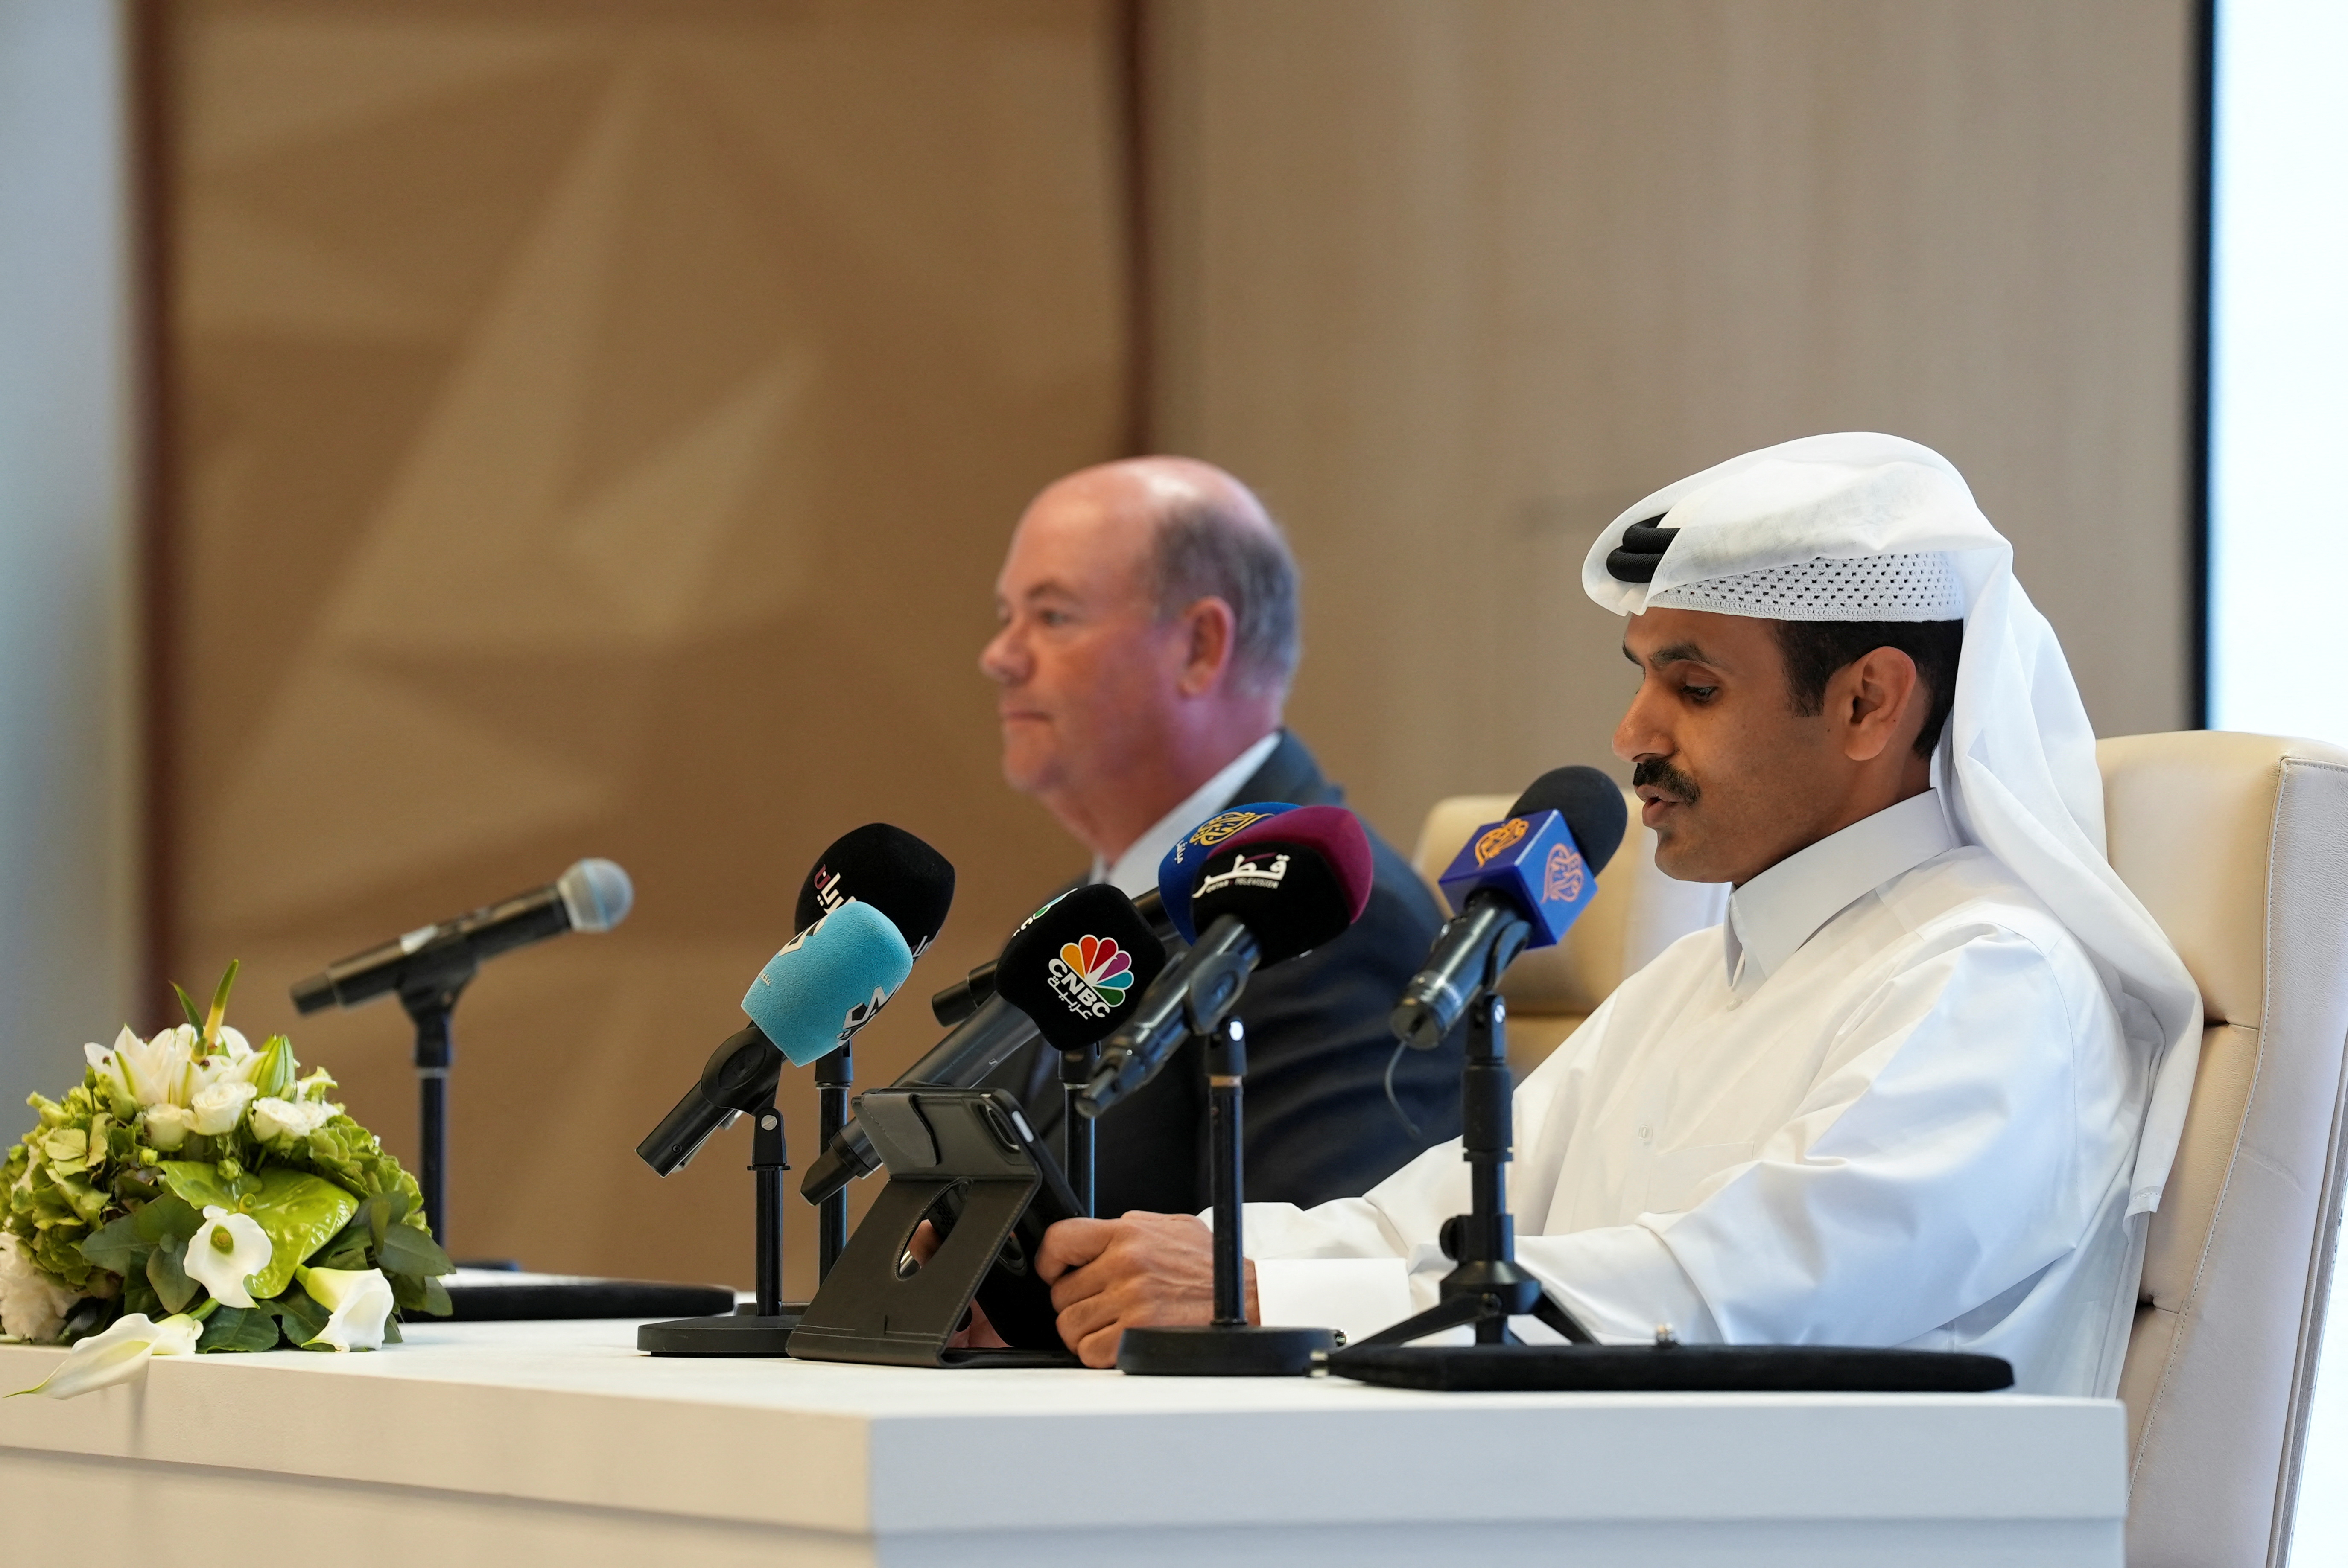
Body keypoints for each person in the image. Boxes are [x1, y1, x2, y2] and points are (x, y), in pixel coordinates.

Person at [1023, 433, 2201, 1397]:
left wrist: (1257, 1295)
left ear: (1866, 700)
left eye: (1693, 688)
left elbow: (1732, 1302)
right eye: (1637, 677)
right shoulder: (1697, 978)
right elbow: (1429, 1228)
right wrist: (1141, 1269)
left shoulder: (1995, 979)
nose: (1630, 735)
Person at [976, 456, 1463, 1216]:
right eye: (1006, 616)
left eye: (1053, 616)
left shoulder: (1325, 924)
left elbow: (1291, 1289)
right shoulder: (1079, 913)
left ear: (1200, 646)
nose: (1000, 656)